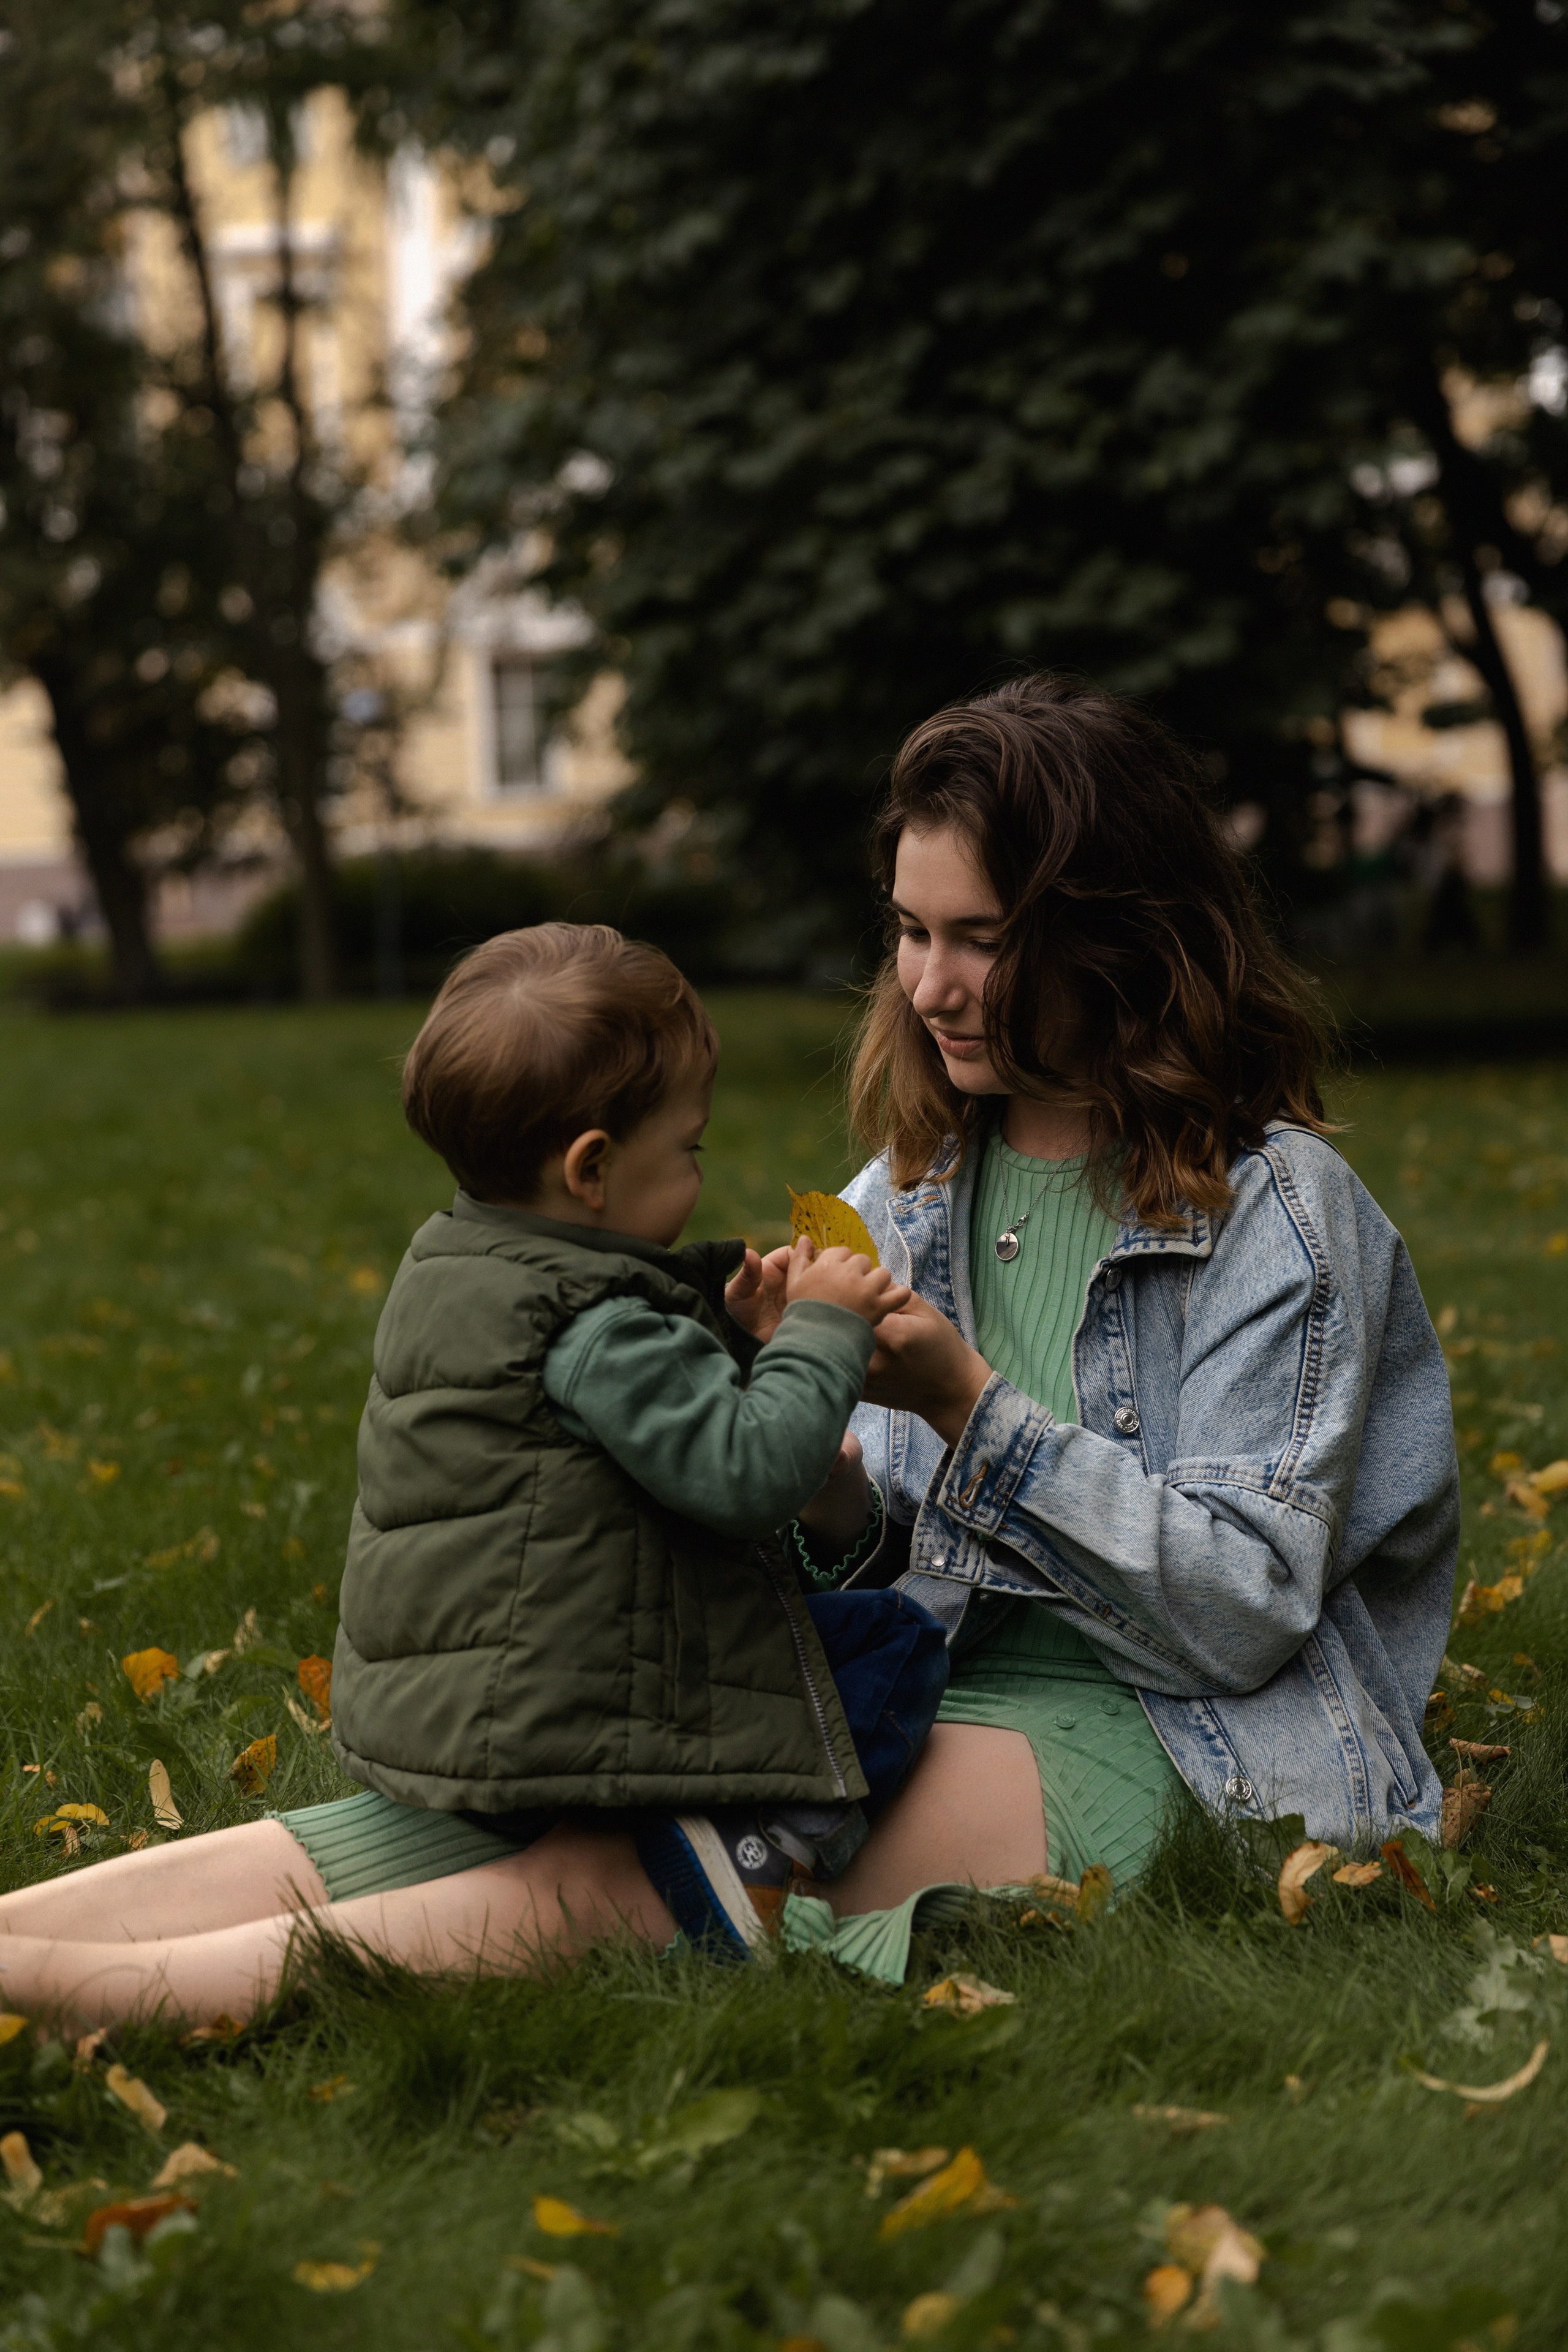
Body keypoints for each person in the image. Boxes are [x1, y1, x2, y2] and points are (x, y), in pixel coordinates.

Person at [0, 674, 1458, 2023]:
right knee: (445, 1821)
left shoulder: (1275, 1212)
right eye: (907, 929)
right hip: (912, 1675)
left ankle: (81, 2001)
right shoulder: (909, 1195)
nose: (927, 985)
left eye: (980, 940)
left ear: (1118, 938)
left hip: (1171, 1729)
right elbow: (889, 1568)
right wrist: (827, 1498)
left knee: (653, 1869)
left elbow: (1241, 1604)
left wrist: (965, 1405)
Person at [0, 925, 948, 2024]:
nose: (700, 1170)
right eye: (687, 1150)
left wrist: (731, 1332)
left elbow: (609, 1436)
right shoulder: (601, 1323)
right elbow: (746, 1476)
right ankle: (754, 1847)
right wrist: (822, 1338)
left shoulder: (461, 1263)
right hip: (576, 1705)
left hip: (458, 1708)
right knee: (889, 1644)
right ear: (592, 1167)